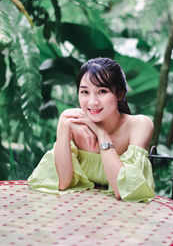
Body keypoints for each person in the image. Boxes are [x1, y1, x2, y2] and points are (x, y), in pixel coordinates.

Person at [28, 57, 155, 202]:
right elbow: (62, 183)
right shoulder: (72, 122)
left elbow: (123, 190)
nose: (93, 102)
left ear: (119, 94)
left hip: (126, 218)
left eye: (102, 91)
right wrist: (63, 125)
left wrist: (102, 134)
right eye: (85, 92)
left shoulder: (139, 125)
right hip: (78, 211)